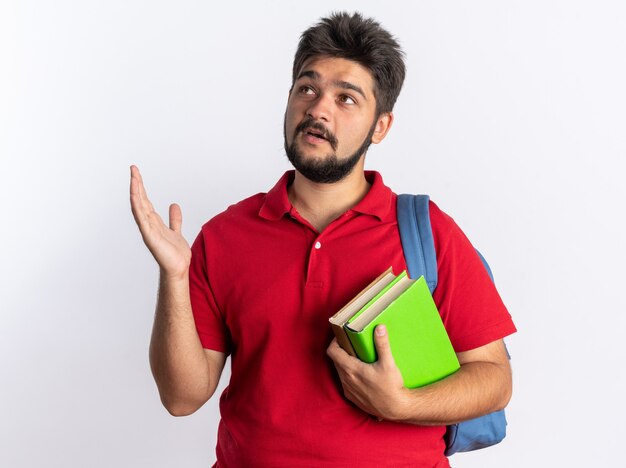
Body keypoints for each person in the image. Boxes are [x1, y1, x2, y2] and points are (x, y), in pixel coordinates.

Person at [130, 11, 516, 468]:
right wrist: (175, 276)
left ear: (381, 126)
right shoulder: (225, 235)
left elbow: (495, 380)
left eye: (346, 98)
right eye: (307, 88)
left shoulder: (428, 232)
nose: (318, 108)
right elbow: (181, 398)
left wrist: (403, 405)